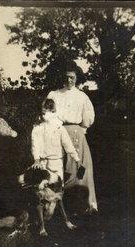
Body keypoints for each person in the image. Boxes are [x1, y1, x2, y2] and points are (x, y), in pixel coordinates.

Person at [47, 63, 97, 213]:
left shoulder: (82, 96)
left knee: (81, 168)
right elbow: (48, 115)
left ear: (77, 78)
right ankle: (55, 205)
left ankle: (87, 204)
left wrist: (81, 130)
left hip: (77, 133)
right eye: (67, 77)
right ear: (62, 77)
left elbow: (88, 118)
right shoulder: (54, 95)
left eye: (72, 77)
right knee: (59, 166)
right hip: (58, 131)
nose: (69, 80)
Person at [31, 98, 82, 180]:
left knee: (57, 186)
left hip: (56, 162)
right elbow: (35, 145)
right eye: (42, 113)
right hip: (42, 162)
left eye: (46, 112)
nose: (44, 116)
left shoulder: (59, 127)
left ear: (53, 111)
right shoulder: (38, 128)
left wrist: (77, 159)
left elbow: (68, 145)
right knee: (42, 187)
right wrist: (36, 160)